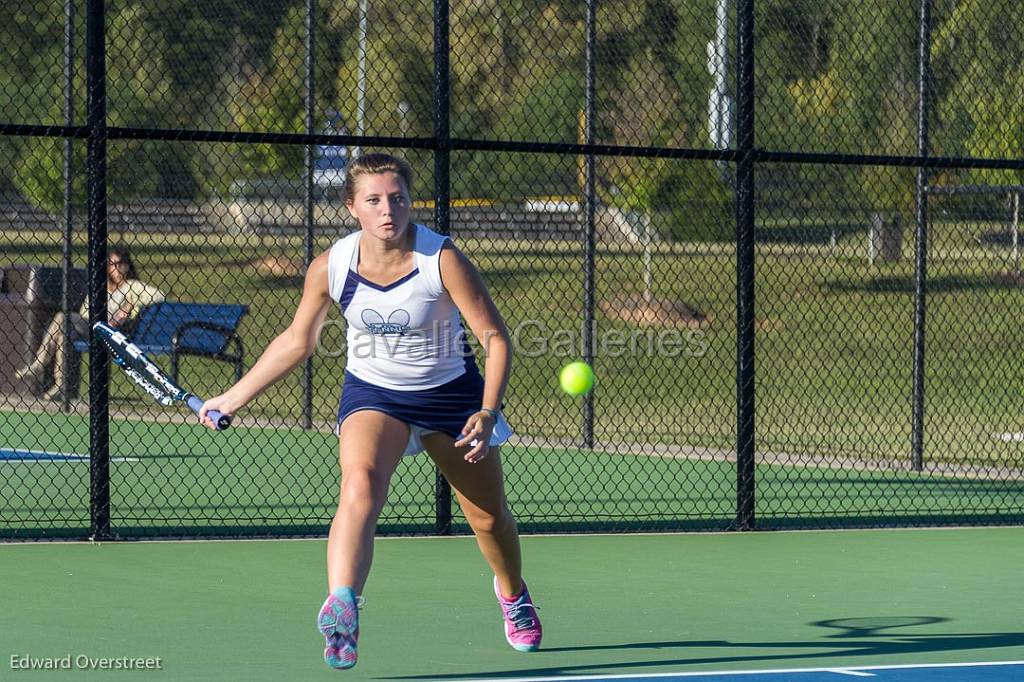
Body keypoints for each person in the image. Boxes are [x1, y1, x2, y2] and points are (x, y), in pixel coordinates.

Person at [198, 153, 542, 669]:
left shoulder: (442, 260)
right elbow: (298, 340)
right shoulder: (330, 267)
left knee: (489, 520)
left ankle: (512, 594)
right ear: (352, 207)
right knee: (358, 486)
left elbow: (494, 338)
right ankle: (343, 603)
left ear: (409, 201)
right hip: (374, 394)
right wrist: (233, 396)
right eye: (375, 200)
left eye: (398, 198)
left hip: (452, 396)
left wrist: (489, 411)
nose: (388, 210)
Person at [15, 247, 166, 401]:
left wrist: (131, 305)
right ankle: (61, 386)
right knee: (66, 335)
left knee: (62, 318)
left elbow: (159, 296)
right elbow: (85, 312)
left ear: (128, 265)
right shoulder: (102, 287)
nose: (117, 268)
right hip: (92, 326)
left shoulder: (133, 286)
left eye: (121, 263)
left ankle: (39, 365)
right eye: (112, 264)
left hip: (114, 333)